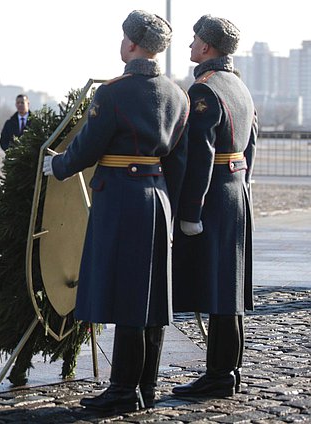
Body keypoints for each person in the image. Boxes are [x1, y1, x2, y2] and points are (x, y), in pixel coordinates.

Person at [43, 10, 189, 415]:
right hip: (157, 199)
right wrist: (172, 210)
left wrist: (57, 166)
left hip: (121, 198)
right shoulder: (179, 95)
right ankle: (146, 385)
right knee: (152, 297)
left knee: (128, 296)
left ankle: (123, 389)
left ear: (130, 44)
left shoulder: (112, 92)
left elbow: (87, 148)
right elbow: (179, 160)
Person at [172, 15, 257, 398]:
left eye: (194, 40)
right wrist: (243, 187)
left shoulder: (204, 90)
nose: (190, 45)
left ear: (207, 47)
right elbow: (250, 145)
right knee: (231, 288)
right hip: (237, 192)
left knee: (220, 289)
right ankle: (228, 370)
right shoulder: (240, 86)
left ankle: (220, 375)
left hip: (214, 198)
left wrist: (189, 212)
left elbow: (200, 157)